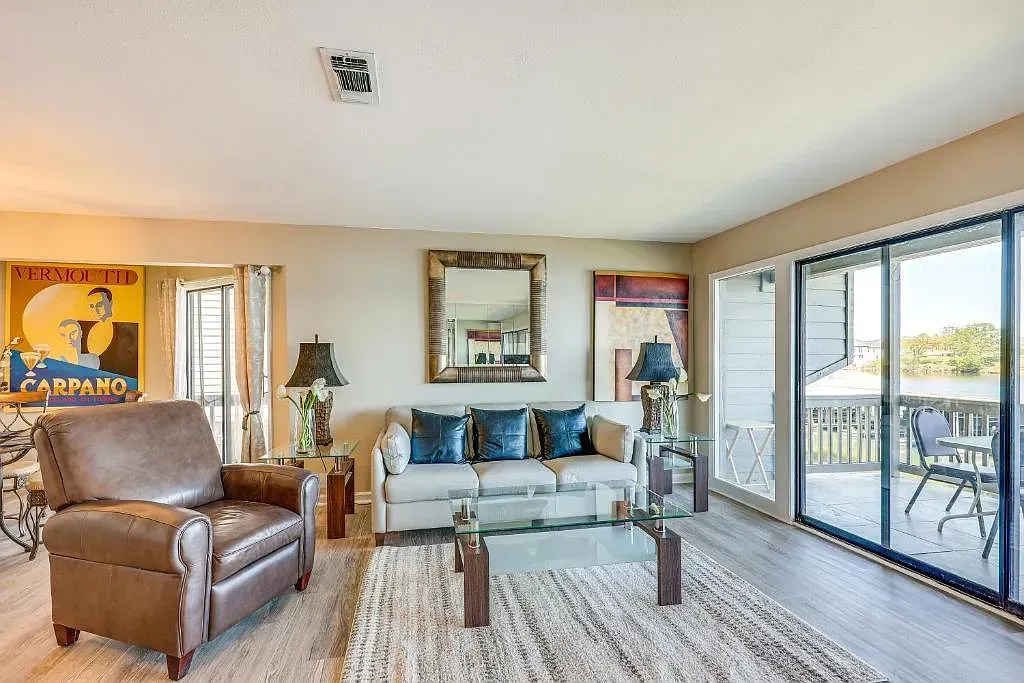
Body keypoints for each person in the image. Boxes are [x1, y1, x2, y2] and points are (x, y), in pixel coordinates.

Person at [78, 287, 139, 379]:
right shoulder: (81, 330)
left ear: (110, 303)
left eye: (100, 305)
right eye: (92, 306)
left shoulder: (128, 331)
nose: (96, 310)